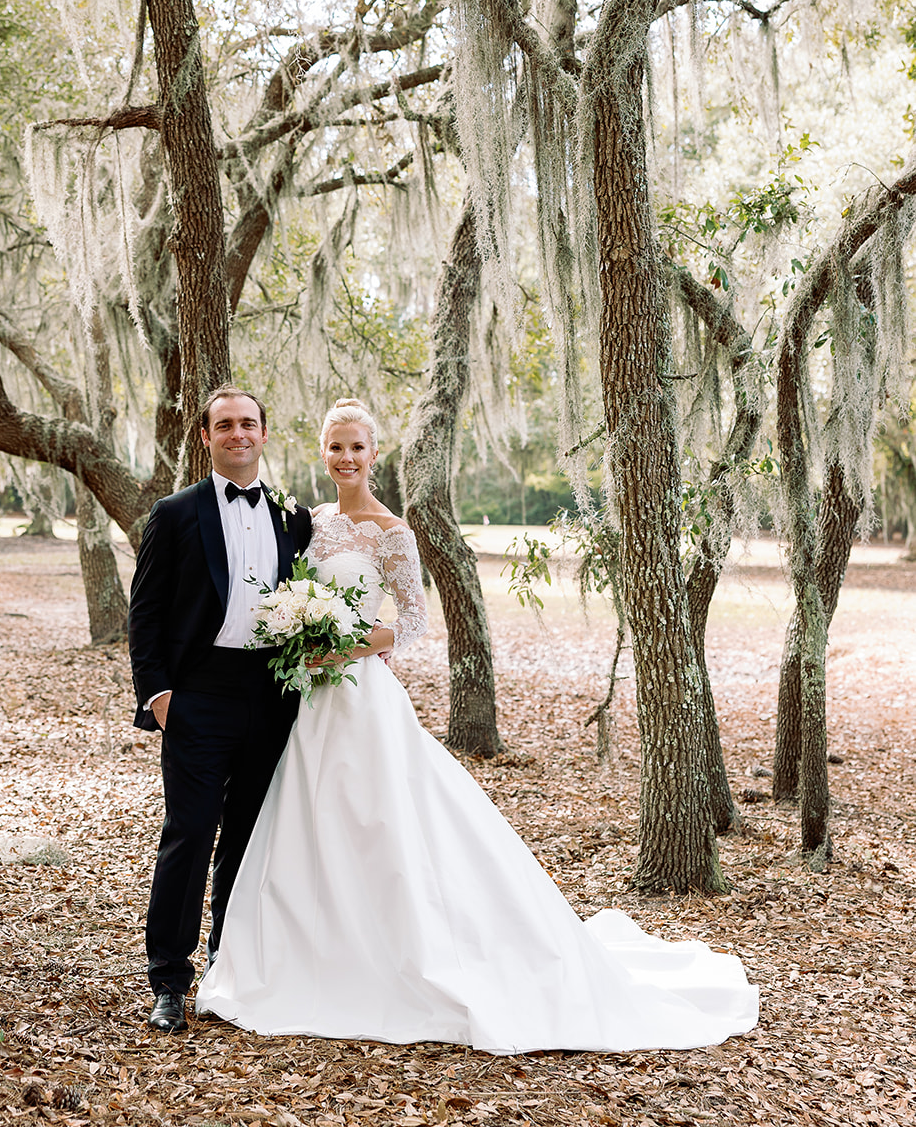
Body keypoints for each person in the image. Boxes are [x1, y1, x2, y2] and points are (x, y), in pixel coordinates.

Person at [195, 395, 759, 1054]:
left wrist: (350, 644)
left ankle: (393, 953)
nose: (345, 457)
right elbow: (280, 597)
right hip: (307, 700)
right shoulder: (305, 523)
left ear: (374, 455)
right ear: (321, 453)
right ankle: (309, 952)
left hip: (359, 695)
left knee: (379, 822)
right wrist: (299, 634)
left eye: (356, 446)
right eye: (335, 446)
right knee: (310, 821)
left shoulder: (391, 531)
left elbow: (410, 619)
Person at [127, 386, 313, 1034]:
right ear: (204, 437)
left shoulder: (295, 517)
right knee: (189, 834)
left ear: (265, 433)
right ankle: (168, 981)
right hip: (197, 696)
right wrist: (159, 698)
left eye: (248, 423)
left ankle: (227, 967)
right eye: (224, 425)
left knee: (246, 841)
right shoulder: (174, 513)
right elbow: (145, 613)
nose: (238, 433)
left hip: (271, 696)